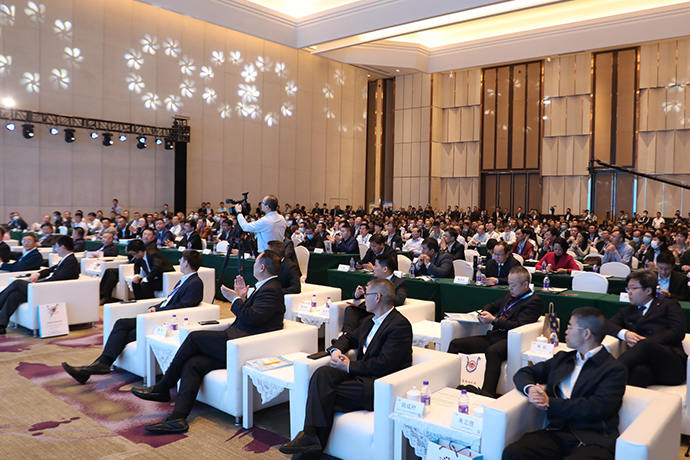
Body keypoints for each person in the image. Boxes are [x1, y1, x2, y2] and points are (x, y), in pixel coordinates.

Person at [129, 251, 284, 433]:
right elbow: (253, 316)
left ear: (262, 267)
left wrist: (235, 300)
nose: (253, 266)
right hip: (237, 340)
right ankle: (177, 419)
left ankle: (163, 387)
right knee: (194, 364)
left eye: (256, 262)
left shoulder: (272, 289)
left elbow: (252, 319)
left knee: (194, 337)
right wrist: (242, 298)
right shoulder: (266, 287)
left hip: (244, 345)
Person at [280, 278, 413, 455]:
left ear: (378, 297)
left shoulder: (399, 325)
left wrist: (349, 366)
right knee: (322, 374)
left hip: (379, 385)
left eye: (367, 294)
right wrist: (336, 350)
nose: (364, 298)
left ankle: (309, 448)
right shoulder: (370, 320)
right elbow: (349, 337)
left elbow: (385, 364)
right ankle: (310, 438)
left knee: (322, 394)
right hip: (361, 376)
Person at [61, 250, 205, 384]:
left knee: (124, 328)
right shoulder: (185, 280)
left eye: (181, 260)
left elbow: (184, 306)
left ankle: (99, 365)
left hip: (166, 319)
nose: (179, 261)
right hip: (160, 314)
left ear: (186, 263)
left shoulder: (195, 283)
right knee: (123, 326)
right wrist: (157, 306)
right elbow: (170, 299)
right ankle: (98, 366)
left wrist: (159, 310)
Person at [503, 307, 627, 460]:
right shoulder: (563, 359)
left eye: (570, 327)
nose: (566, 332)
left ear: (586, 333)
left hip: (592, 438)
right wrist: (530, 389)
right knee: (515, 452)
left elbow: (597, 407)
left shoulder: (613, 369)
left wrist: (550, 403)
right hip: (556, 432)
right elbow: (525, 373)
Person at [448, 266, 542, 397]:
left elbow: (519, 325)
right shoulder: (510, 294)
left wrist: (493, 320)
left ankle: (487, 393)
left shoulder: (534, 302)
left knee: (493, 351)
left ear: (525, 284)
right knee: (456, 344)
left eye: (513, 285)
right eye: (509, 284)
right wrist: (484, 312)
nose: (510, 288)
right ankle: (448, 384)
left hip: (510, 340)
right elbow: (493, 305)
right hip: (494, 336)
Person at [606, 269, 686, 387]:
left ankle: (605, 373)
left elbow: (677, 332)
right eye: (628, 288)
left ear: (648, 290)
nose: (629, 292)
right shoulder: (627, 311)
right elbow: (607, 325)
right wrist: (625, 334)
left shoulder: (669, 305)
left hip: (670, 363)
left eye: (633, 288)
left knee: (645, 344)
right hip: (646, 365)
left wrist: (644, 342)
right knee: (636, 374)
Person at [0, 236, 80, 334]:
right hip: (46, 287)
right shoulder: (66, 259)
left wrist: (39, 284)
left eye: (56, 247)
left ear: (62, 247)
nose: (55, 249)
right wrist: (38, 274)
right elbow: (50, 269)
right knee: (15, 295)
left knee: (17, 283)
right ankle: (1, 325)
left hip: (49, 290)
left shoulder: (70, 262)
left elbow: (57, 279)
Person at [342, 256, 407, 334]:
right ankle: (346, 335)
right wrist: (357, 294)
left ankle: (354, 337)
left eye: (376, 266)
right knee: (350, 310)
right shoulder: (374, 279)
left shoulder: (399, 283)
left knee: (367, 320)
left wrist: (381, 295)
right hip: (367, 308)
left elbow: (399, 300)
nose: (373, 268)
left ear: (385, 269)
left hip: (379, 311)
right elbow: (366, 291)